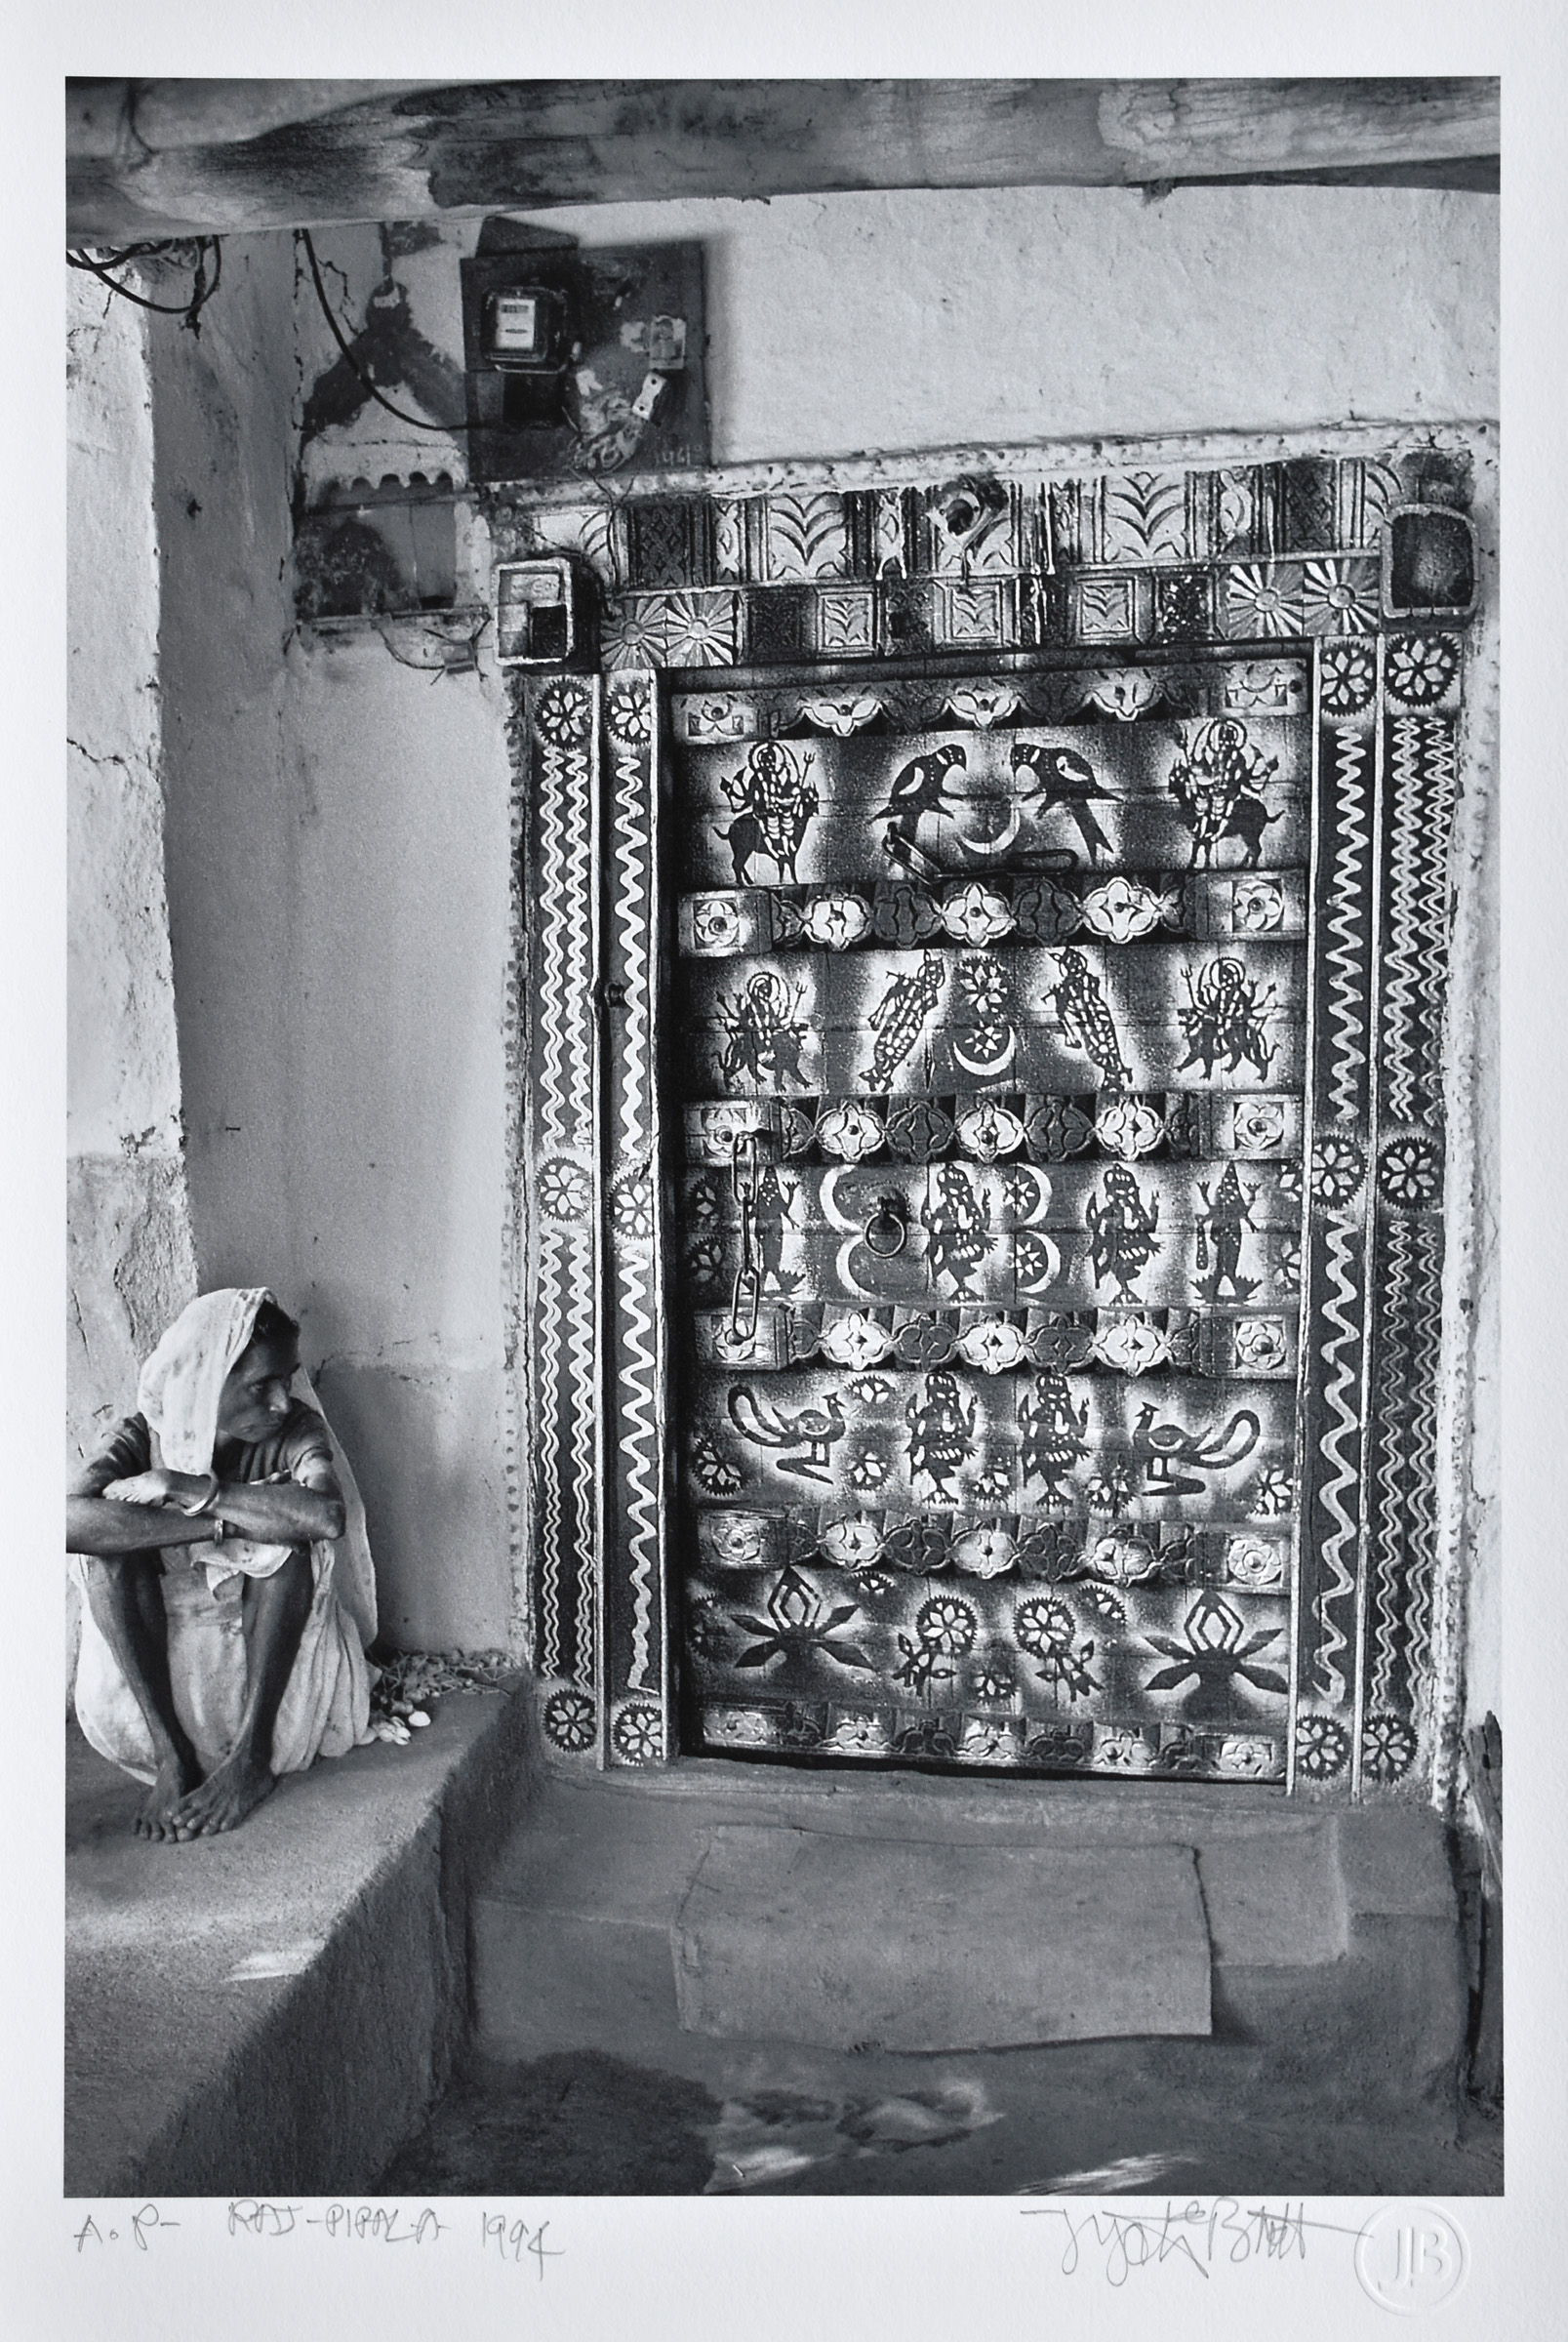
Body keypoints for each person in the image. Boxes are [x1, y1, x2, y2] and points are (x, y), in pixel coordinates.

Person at [66, 1287, 378, 1841]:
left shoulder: (295, 1430)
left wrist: (188, 1489)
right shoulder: (142, 1434)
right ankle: (171, 1755)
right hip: (165, 1641)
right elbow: (68, 1523)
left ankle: (250, 1759)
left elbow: (327, 1515)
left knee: (287, 1549)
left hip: (264, 1638)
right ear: (207, 1378)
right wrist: (217, 1526)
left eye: (287, 1380)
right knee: (105, 1561)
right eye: (261, 1385)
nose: (281, 1401)